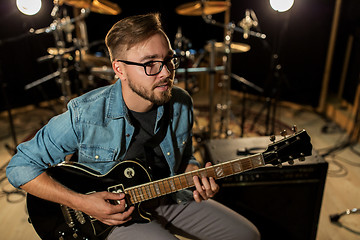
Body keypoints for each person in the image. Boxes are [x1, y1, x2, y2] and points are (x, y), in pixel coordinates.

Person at [6, 13, 260, 240]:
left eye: (169, 59)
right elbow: (19, 167)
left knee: (247, 234)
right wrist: (82, 203)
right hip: (108, 218)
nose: (166, 73)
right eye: (150, 63)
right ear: (120, 69)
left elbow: (184, 154)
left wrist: (192, 169)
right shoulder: (86, 113)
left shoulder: (181, 102)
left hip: (166, 195)